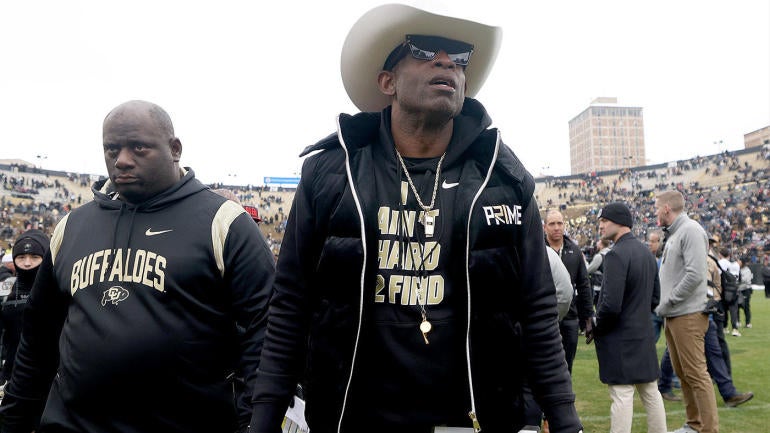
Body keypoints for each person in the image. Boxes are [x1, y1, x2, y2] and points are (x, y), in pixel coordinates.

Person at [248, 4, 583, 433]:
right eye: (425, 50)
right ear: (387, 81)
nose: (446, 62)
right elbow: (291, 302)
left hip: (471, 416)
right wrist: (264, 416)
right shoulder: (331, 172)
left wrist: (564, 417)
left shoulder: (501, 176)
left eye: (459, 57)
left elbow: (535, 306)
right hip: (354, 414)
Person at [0, 100, 275, 433]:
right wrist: (13, 422)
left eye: (138, 147)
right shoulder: (71, 227)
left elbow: (264, 340)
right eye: (112, 149)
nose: (122, 160)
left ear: (175, 149)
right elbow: (37, 343)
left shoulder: (224, 223)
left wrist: (257, 424)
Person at [593, 202, 666, 433]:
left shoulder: (615, 254)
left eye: (604, 220)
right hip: (643, 334)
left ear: (618, 222)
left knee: (622, 395)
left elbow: (611, 305)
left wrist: (597, 326)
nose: (601, 225)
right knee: (651, 392)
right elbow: (656, 298)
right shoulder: (646, 252)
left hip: (619, 338)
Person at [654, 190, 718, 433]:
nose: (655, 212)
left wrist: (668, 301)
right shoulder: (676, 233)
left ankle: (708, 428)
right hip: (675, 313)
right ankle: (694, 423)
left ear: (667, 209)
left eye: (657, 207)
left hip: (687, 314)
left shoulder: (690, 230)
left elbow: (695, 274)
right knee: (683, 372)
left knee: (696, 374)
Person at [543, 209, 594, 372]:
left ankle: (564, 397)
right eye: (552, 224)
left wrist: (587, 316)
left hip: (570, 317)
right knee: (543, 363)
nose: (556, 227)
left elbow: (584, 285)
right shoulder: (537, 249)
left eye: (560, 223)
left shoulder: (575, 251)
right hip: (544, 316)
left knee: (567, 365)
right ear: (545, 227)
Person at [0, 230, 49, 390]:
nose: (27, 263)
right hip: (11, 375)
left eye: (35, 257)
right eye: (21, 257)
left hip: (50, 376)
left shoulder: (58, 289)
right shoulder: (5, 290)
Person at [717, 247, 741, 336]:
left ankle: (725, 327)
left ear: (720, 254)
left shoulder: (720, 263)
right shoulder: (736, 264)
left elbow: (718, 275)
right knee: (733, 309)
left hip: (724, 288)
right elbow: (739, 277)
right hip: (734, 288)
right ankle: (735, 328)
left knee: (724, 309)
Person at [586, 238, 610, 306]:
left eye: (598, 242)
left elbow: (588, 270)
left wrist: (584, 261)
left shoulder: (599, 256)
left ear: (601, 245)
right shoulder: (611, 254)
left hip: (597, 286)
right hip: (607, 285)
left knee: (596, 306)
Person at [737, 256, 753, 329]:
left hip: (745, 290)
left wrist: (737, 279)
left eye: (739, 261)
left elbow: (745, 280)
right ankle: (738, 321)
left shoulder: (747, 270)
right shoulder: (736, 269)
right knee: (736, 306)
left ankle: (748, 322)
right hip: (737, 290)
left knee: (746, 306)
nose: (737, 262)